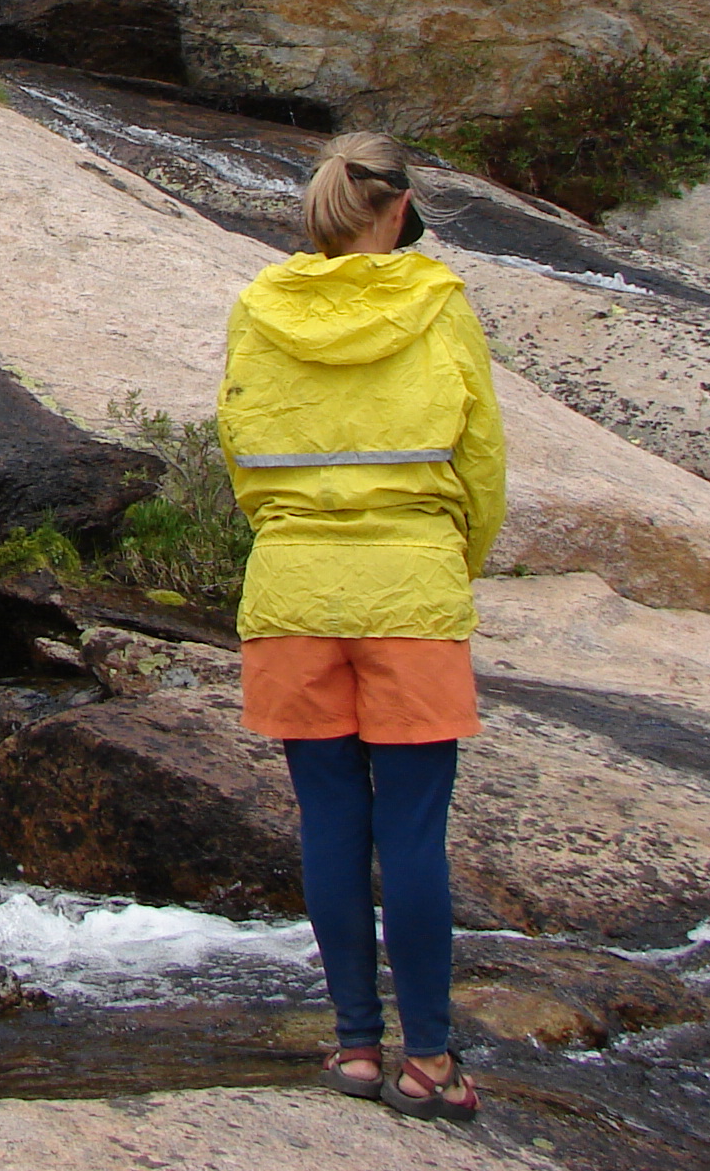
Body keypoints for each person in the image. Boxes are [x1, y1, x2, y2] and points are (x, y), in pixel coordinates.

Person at [216, 134, 506, 1122]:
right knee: (413, 834)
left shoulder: (259, 307)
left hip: (293, 592)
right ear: (400, 208)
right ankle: (428, 1057)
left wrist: (290, 541)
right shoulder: (437, 303)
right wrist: (444, 562)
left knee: (331, 823)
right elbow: (481, 466)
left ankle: (352, 1047)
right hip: (410, 590)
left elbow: (240, 452)